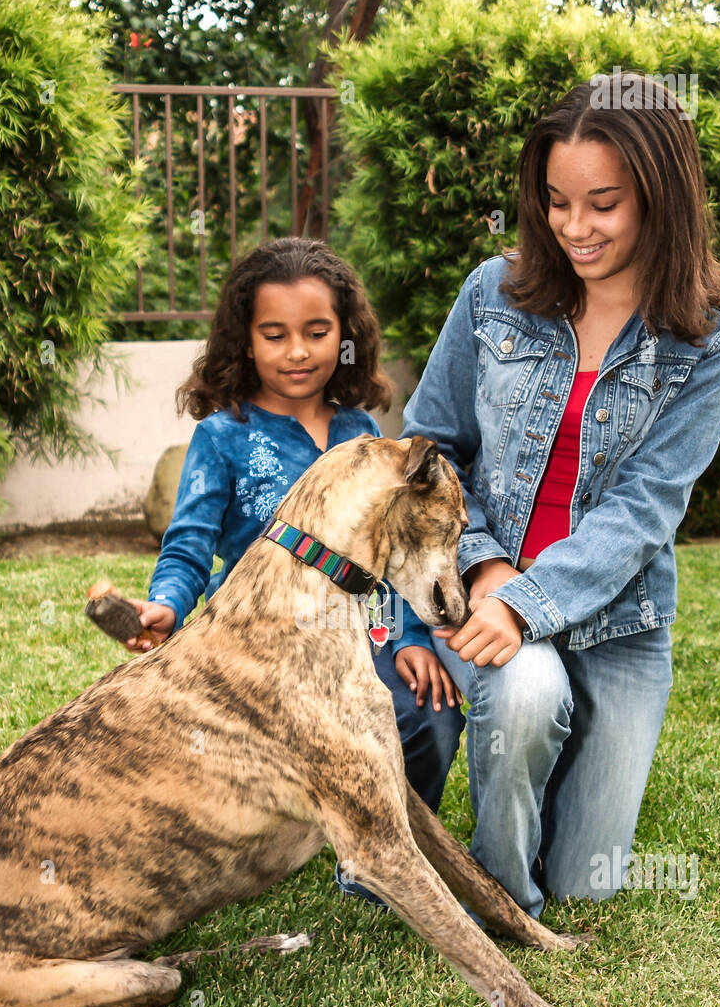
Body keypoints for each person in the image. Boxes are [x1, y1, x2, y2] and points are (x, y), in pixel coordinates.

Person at [400, 71, 720, 920]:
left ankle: (526, 843)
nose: (575, 228)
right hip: (479, 595)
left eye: (604, 204)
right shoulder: (495, 292)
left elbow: (644, 507)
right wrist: (483, 570)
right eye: (557, 202)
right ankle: (498, 900)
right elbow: (429, 449)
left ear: (660, 199)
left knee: (588, 875)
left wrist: (530, 600)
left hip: (619, 623)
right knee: (524, 697)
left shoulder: (706, 342)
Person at [119, 236, 473, 915]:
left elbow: (392, 554)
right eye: (273, 334)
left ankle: (372, 855)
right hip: (261, 652)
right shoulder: (222, 436)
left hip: (358, 640)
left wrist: (410, 643)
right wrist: (166, 605)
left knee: (426, 715)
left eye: (317, 332)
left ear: (346, 335)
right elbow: (189, 543)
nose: (297, 351)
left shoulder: (361, 432)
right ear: (243, 340)